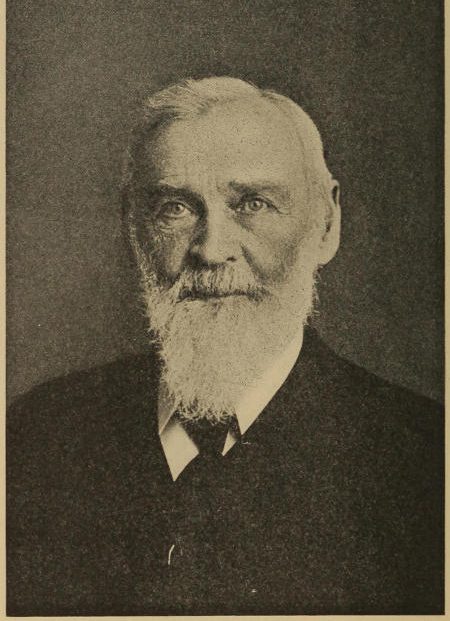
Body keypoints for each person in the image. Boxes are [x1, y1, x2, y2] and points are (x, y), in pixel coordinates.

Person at [7, 77, 444, 615]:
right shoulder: (35, 437)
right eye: (175, 208)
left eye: (253, 204)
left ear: (326, 224)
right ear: (132, 226)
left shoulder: (424, 461)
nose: (212, 250)